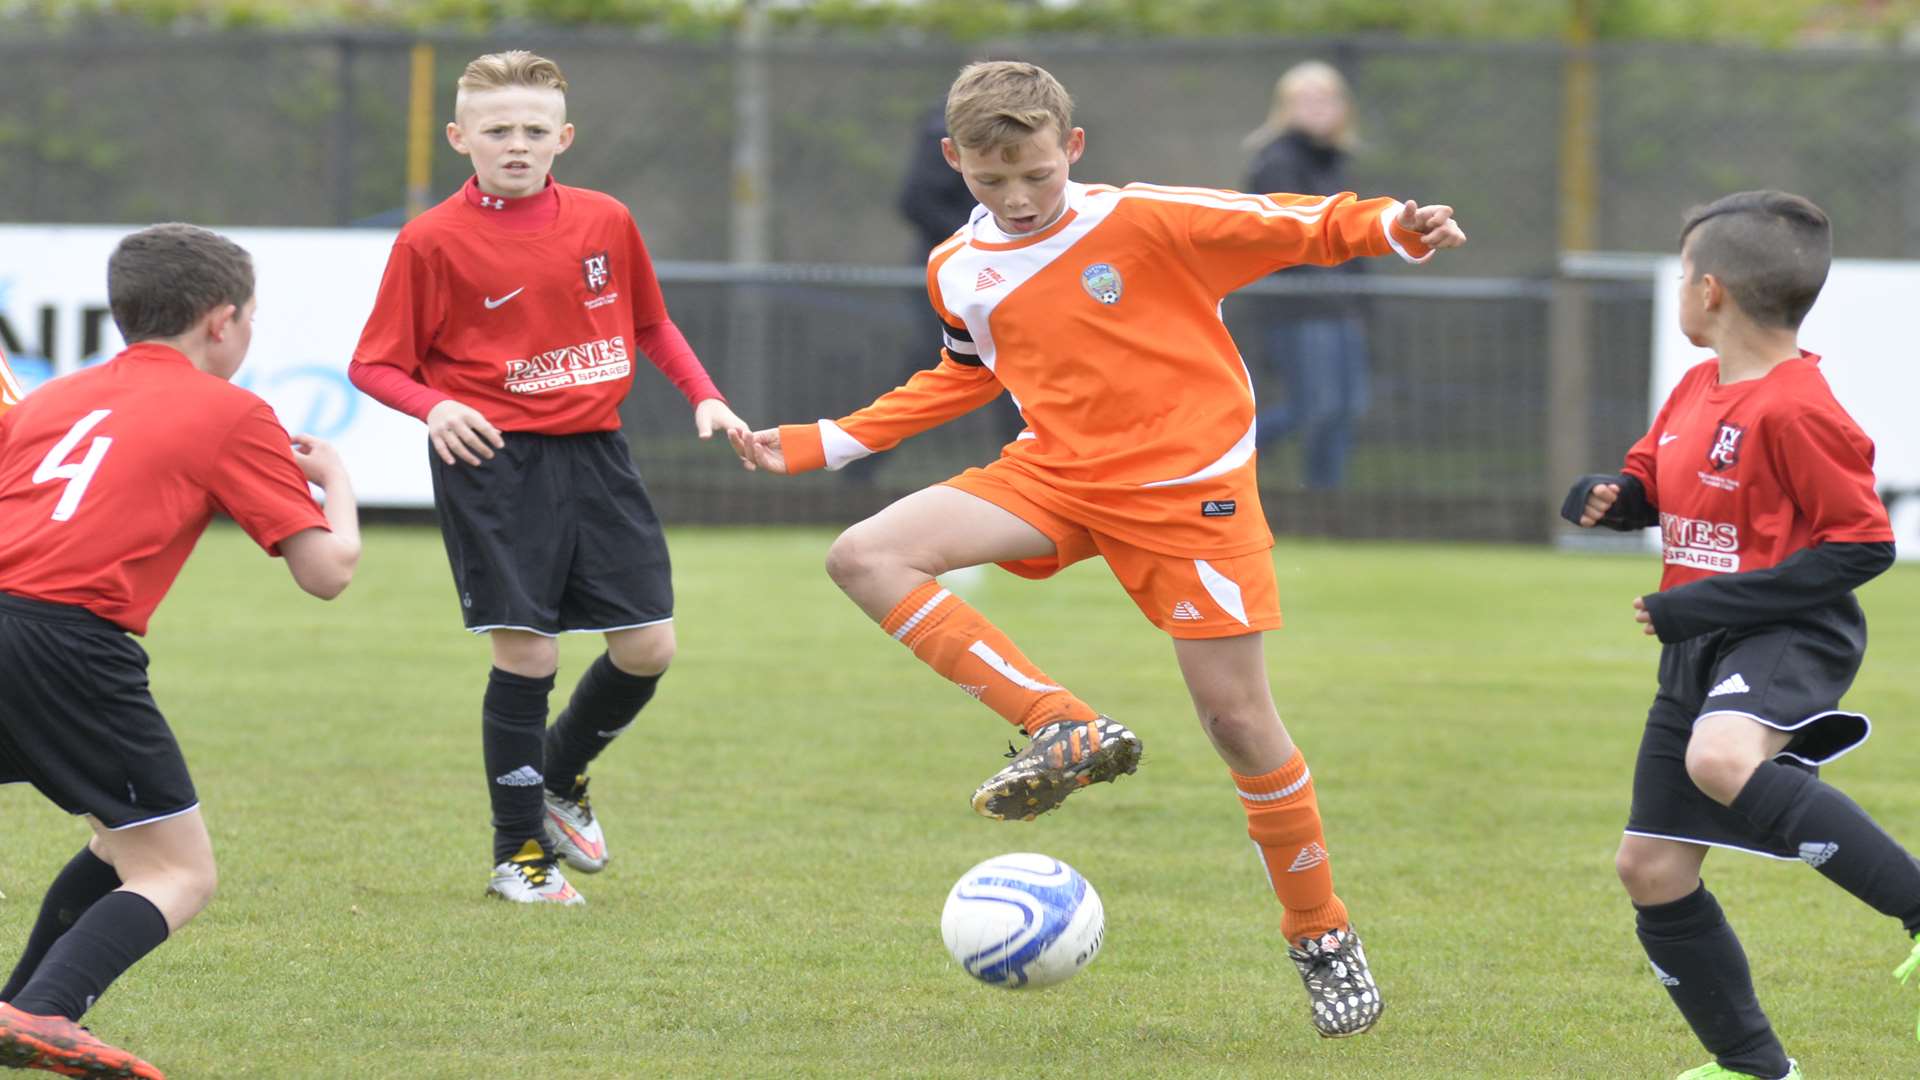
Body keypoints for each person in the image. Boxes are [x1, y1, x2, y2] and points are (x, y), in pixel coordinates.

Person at [732, 59, 1464, 1038]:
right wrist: (820, 443)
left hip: (1188, 495)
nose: (1020, 197)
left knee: (1240, 725)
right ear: (956, 162)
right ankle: (1060, 728)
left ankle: (1318, 930)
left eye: (1037, 173)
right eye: (994, 181)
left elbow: (1291, 224)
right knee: (865, 555)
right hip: (1058, 474)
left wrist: (1393, 228)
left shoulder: (1144, 219)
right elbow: (960, 375)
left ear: (1071, 149)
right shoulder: (957, 266)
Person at [349, 50, 751, 906]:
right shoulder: (430, 240)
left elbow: (652, 323)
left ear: (564, 138)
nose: (517, 145)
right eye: (498, 130)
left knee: (649, 647)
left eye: (534, 130)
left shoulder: (606, 219)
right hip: (495, 465)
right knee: (528, 655)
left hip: (597, 455)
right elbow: (374, 364)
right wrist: (434, 408)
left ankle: (559, 779)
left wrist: (706, 397)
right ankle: (517, 856)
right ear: (461, 138)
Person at [1562, 190, 1920, 1080]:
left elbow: (1864, 547)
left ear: (1711, 290)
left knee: (1720, 759)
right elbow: (1652, 482)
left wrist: (1708, 607)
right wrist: (1612, 500)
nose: (1681, 286)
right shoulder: (1696, 386)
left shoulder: (1800, 408)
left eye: (1684, 272)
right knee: (1649, 868)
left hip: (1789, 632)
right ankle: (1757, 1070)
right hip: (1702, 644)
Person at [0, 223, 361, 1079]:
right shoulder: (230, 411)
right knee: (178, 871)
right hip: (69, 643)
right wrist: (337, 481)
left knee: (121, 841)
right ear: (224, 319)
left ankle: (20, 1007)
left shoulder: (51, 399)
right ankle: (43, 1011)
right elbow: (326, 573)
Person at [1243, 60, 1371, 490]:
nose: (1318, 108)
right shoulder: (1276, 162)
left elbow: (1353, 234)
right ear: (1286, 108)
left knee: (1345, 407)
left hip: (1341, 307)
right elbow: (1284, 233)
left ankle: (1326, 499)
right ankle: (1216, 457)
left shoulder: (1336, 161)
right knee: (1313, 407)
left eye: (1327, 98)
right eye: (1307, 99)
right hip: (1299, 309)